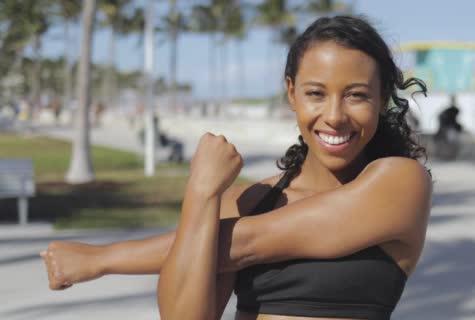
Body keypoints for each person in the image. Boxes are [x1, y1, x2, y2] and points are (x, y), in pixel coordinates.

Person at [40, 16, 432, 320]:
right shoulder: (248, 200)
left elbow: (247, 244)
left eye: (357, 96)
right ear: (291, 92)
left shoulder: (399, 184)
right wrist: (202, 192)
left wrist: (101, 259)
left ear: (382, 100)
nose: (334, 116)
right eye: (316, 93)